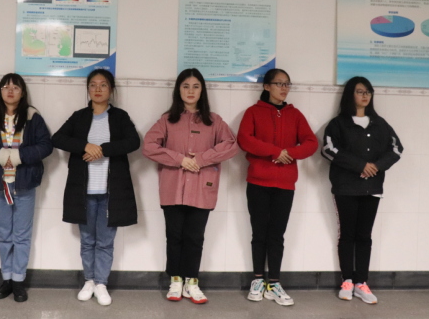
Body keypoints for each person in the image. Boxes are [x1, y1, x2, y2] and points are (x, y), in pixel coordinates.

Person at [143, 68, 239, 304]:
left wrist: (202, 158)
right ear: (178, 90)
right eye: (185, 86)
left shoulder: (214, 121)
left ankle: (192, 282)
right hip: (172, 188)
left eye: (195, 86)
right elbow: (149, 146)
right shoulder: (167, 120)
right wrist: (180, 159)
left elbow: (231, 145)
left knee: (195, 237)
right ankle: (175, 281)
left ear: (202, 90)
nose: (190, 91)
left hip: (202, 189)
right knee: (174, 235)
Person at [52, 69, 139, 306]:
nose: (98, 89)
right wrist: (85, 146)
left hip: (112, 192)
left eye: (103, 85)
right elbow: (57, 138)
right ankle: (88, 281)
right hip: (84, 192)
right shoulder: (79, 116)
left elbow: (133, 142)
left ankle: (101, 283)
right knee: (88, 239)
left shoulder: (120, 117)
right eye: (93, 85)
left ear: (111, 89)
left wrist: (102, 149)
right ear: (88, 89)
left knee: (105, 241)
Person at [237, 68, 318, 306]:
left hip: (285, 184)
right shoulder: (253, 112)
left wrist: (289, 153)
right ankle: (257, 280)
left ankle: (274, 283)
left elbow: (311, 143)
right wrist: (275, 152)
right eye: (279, 83)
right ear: (266, 86)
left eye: (287, 84)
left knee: (277, 235)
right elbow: (245, 139)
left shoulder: (295, 114)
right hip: (258, 182)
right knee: (259, 233)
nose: (284, 88)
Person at [0, 73, 52, 302]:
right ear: (0, 91)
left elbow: (46, 146)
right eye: (6, 87)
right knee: (4, 234)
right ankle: (6, 279)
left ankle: (18, 281)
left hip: (24, 182)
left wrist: (18, 156)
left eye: (15, 87)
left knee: (22, 236)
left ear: (22, 92)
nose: (10, 90)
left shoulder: (33, 117)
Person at [322, 76, 403, 304]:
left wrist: (376, 166)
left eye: (368, 91)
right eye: (360, 91)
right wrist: (360, 165)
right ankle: (347, 281)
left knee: (364, 237)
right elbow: (328, 149)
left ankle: (361, 283)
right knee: (347, 235)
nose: (365, 95)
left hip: (372, 188)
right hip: (346, 188)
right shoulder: (338, 123)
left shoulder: (380, 123)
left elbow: (396, 149)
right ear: (350, 94)